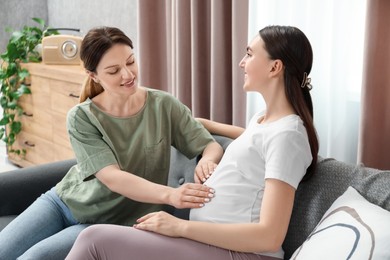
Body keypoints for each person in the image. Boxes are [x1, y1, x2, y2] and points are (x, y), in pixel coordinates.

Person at [65, 25, 319, 260]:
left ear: (275, 68)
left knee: (92, 240)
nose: (242, 62)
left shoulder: (288, 135)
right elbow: (256, 140)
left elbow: (269, 235)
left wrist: (180, 227)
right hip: (211, 244)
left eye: (250, 55)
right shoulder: (265, 121)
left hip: (243, 254)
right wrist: (205, 124)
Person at [0, 26, 224, 260]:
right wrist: (171, 195)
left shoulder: (164, 106)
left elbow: (209, 145)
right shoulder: (82, 117)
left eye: (131, 62)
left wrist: (207, 161)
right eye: (114, 70)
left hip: (109, 223)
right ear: (93, 75)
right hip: (62, 203)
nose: (128, 75)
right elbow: (112, 177)